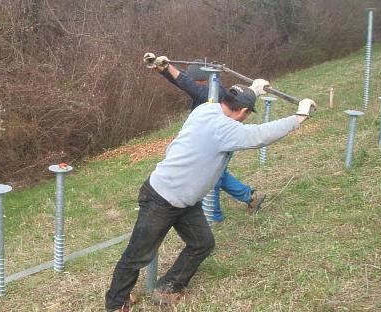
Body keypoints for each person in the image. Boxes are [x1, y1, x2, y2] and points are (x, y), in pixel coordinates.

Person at [104, 54, 316, 311]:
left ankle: (167, 287)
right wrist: (299, 117)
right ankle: (116, 303)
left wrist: (253, 91)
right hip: (162, 198)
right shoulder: (226, 129)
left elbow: (203, 91)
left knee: (202, 243)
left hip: (185, 201)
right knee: (137, 255)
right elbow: (260, 135)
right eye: (248, 112)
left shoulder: (207, 108)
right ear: (244, 112)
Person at [147, 54, 266, 221]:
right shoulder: (208, 90)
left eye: (196, 82)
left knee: (214, 176)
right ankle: (251, 197)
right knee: (219, 175)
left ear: (204, 80)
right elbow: (184, 82)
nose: (192, 85)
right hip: (210, 140)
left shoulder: (212, 95)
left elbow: (187, 83)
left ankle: (214, 216)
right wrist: (163, 69)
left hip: (218, 140)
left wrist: (168, 68)